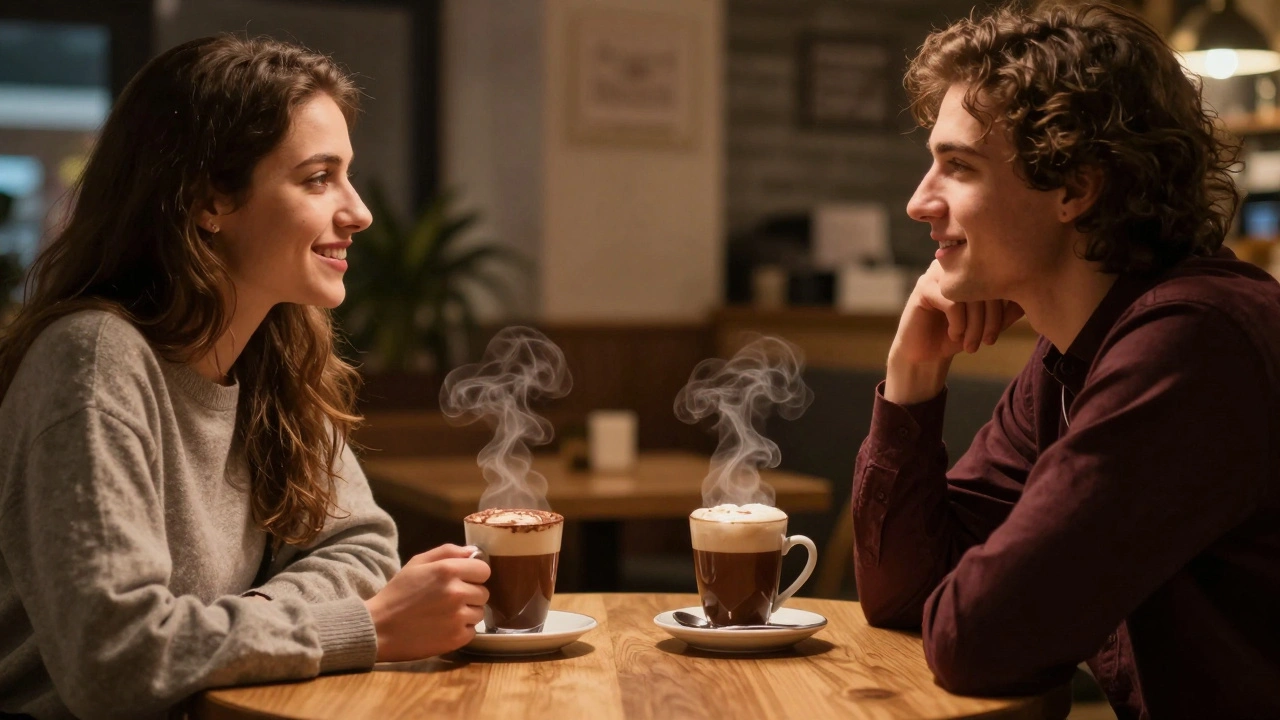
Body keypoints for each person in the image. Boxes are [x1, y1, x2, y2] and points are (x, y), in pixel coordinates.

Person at [0, 35, 490, 719]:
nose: (359, 212)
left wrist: (235, 625)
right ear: (208, 202)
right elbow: (115, 660)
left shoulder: (274, 351)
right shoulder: (92, 361)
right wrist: (365, 628)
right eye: (319, 179)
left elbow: (360, 545)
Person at [853, 2, 1280, 718]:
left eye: (957, 168)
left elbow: (980, 636)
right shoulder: (1074, 354)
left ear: (1076, 187)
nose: (918, 202)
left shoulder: (1193, 345)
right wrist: (912, 377)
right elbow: (907, 597)